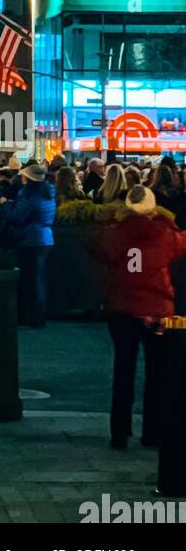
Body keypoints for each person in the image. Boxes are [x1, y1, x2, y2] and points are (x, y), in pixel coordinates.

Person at [91, 184, 186, 449]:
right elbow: (181, 244)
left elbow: (96, 247)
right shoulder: (166, 235)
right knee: (157, 373)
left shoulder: (113, 235)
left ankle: (119, 432)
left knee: (124, 369)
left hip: (121, 307)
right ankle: (152, 432)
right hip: (156, 309)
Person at [0, 161, 56, 328]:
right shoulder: (49, 192)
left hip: (29, 239)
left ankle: (29, 317)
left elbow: (18, 218)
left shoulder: (28, 195)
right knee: (38, 279)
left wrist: (6, 205)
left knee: (29, 281)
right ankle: (38, 315)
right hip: (46, 238)